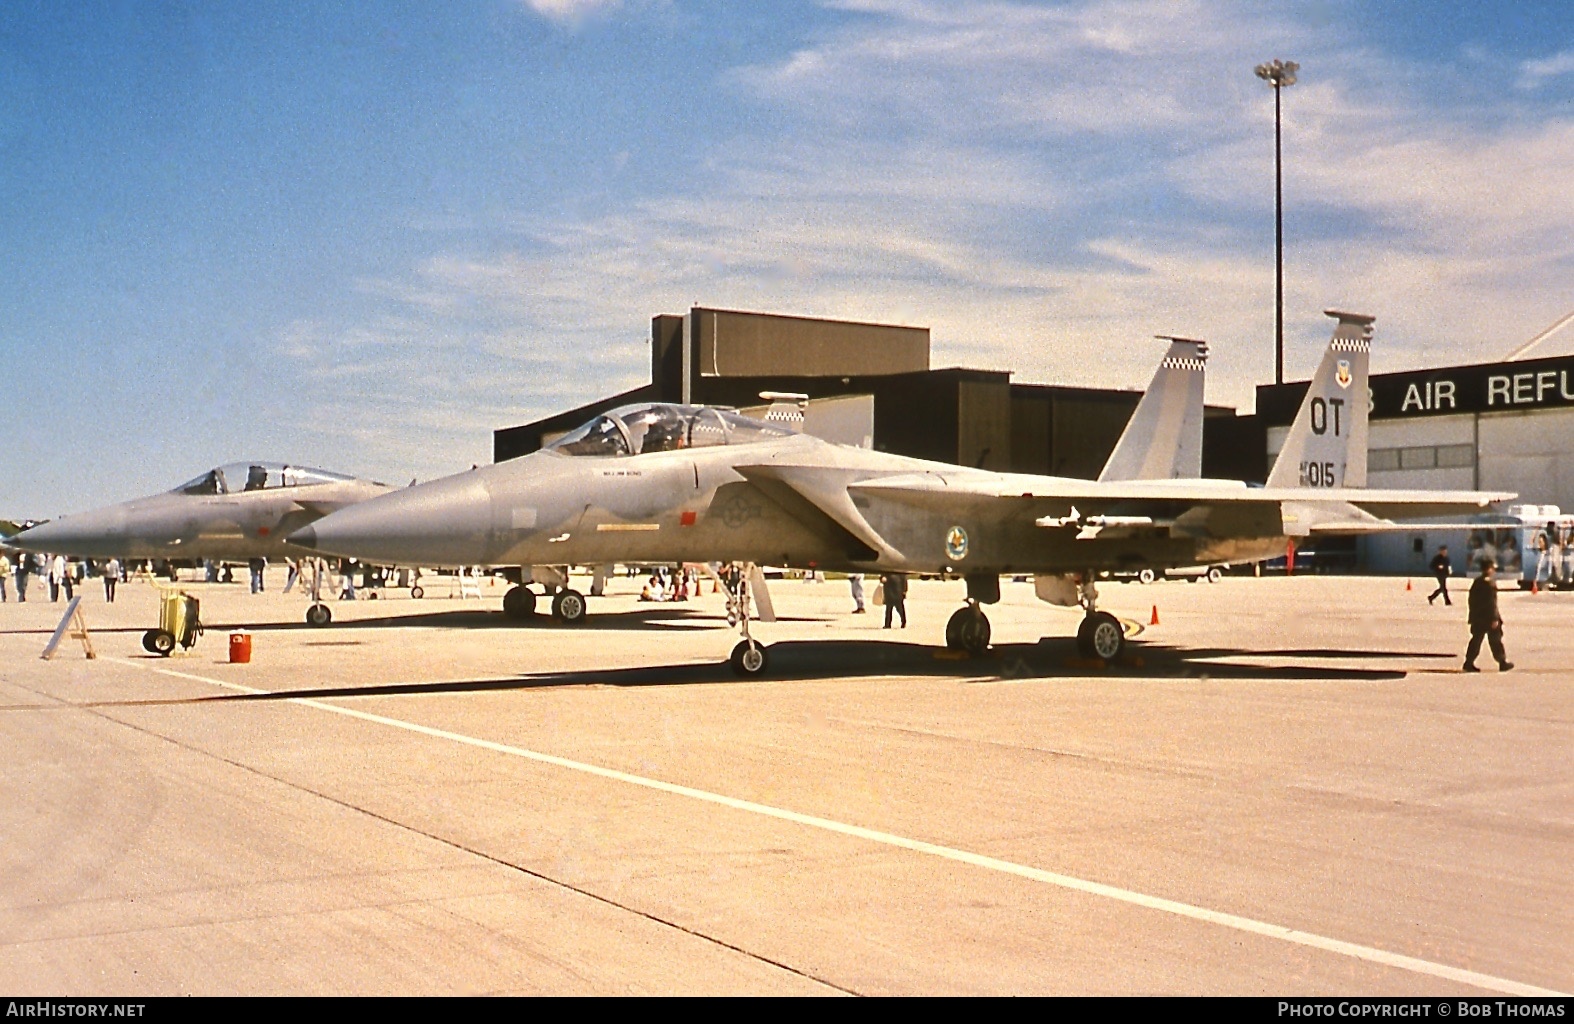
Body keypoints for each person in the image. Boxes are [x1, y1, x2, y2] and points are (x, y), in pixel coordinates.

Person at [1464, 559, 1513, 673]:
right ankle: (1502, 662)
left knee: (1476, 640)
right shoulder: (1489, 583)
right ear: (1489, 569)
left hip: (1478, 617)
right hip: (1488, 618)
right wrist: (1494, 618)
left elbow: (1471, 600)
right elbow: (1491, 603)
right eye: (1492, 568)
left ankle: (1468, 662)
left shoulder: (1477, 582)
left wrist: (1473, 616)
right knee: (1495, 641)